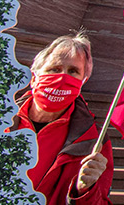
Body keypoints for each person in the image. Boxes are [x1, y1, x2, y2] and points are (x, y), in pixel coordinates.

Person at [9, 32, 113, 205]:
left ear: (82, 82)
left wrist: (83, 191)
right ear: (34, 78)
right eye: (54, 69)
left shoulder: (94, 141)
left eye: (73, 71)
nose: (62, 77)